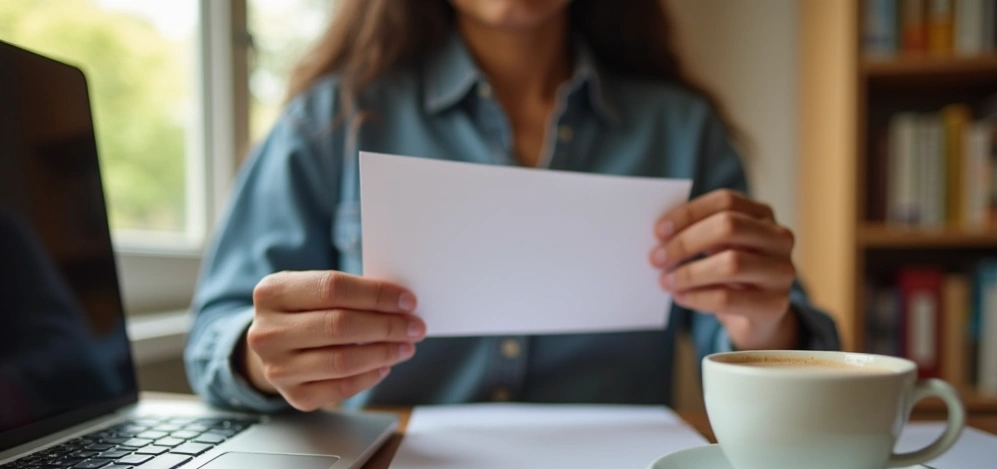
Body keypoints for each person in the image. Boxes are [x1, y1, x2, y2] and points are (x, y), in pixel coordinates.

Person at [185, 0, 840, 413]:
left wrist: (763, 323)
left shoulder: (683, 130)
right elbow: (219, 330)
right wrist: (262, 357)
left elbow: (783, 354)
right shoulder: (333, 118)